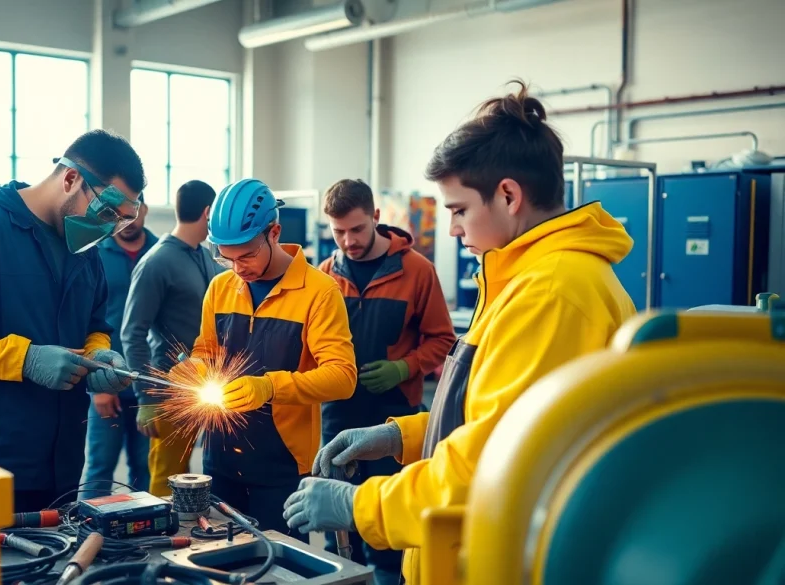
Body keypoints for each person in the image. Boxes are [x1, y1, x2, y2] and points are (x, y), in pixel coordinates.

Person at [283, 81, 637, 584]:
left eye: (458, 210)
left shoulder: (552, 292)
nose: (452, 229)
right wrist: (401, 435)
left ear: (509, 195)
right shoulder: (525, 279)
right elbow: (495, 417)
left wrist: (363, 504)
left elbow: (493, 463)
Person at [0, 130, 144, 513]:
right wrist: (25, 359)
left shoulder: (84, 251)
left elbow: (94, 325)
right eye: (106, 212)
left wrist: (100, 355)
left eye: (119, 220)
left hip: (63, 464)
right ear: (70, 179)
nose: (108, 229)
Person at [179, 178, 357, 540]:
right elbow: (206, 350)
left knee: (277, 565)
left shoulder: (319, 292)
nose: (236, 267)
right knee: (215, 560)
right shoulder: (221, 286)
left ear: (274, 232)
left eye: (245, 255)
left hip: (282, 467)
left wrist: (269, 386)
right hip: (220, 458)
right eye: (225, 257)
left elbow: (343, 377)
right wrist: (196, 367)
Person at [316, 178, 456, 585]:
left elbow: (443, 339)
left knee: (388, 536)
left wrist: (405, 367)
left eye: (357, 229)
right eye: (338, 231)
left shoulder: (417, 271)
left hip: (394, 423)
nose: (348, 241)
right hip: (336, 416)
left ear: (376, 217)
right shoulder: (325, 275)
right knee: (337, 528)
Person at [120, 180, 223, 497]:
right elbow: (132, 332)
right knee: (168, 479)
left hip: (204, 388)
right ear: (208, 212)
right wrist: (146, 397)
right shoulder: (157, 262)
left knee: (200, 478)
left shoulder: (204, 257)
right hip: (168, 392)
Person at [81, 193, 156, 498]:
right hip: (106, 382)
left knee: (145, 469)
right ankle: (84, 538)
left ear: (145, 211)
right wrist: (96, 384)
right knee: (99, 469)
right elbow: (85, 320)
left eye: (133, 213)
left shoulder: (160, 253)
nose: (127, 221)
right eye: (120, 214)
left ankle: (142, 540)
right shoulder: (95, 252)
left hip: (149, 385)